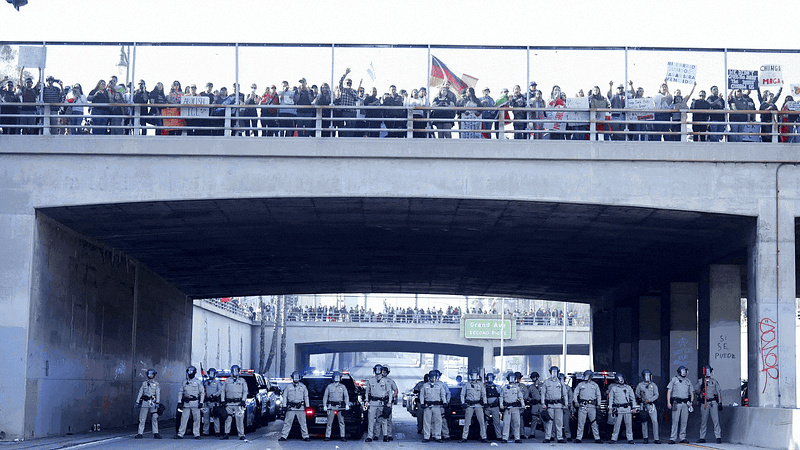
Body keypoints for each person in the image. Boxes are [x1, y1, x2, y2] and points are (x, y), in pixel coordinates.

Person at [666, 365, 695, 444]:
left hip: (685, 404)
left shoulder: (688, 381)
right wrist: (668, 402)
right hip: (676, 403)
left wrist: (691, 402)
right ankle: (673, 438)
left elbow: (691, 392)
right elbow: (669, 391)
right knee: (675, 421)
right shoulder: (674, 380)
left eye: (685, 371)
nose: (684, 373)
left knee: (684, 421)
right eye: (683, 371)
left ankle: (682, 437)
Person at [279, 370, 311, 441]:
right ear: (292, 378)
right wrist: (284, 406)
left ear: (300, 378)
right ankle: (284, 436)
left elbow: (306, 396)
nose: (296, 379)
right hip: (291, 408)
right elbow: (285, 396)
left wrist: (307, 406)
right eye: (295, 377)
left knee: (303, 423)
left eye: (297, 377)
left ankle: (306, 436)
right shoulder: (289, 387)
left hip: (300, 408)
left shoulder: (303, 387)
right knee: (287, 423)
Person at [176, 365, 205, 439]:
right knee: (184, 419)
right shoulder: (185, 382)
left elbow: (202, 393)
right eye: (189, 372)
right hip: (186, 403)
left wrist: (201, 402)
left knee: (197, 419)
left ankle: (196, 434)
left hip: (195, 403)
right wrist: (179, 402)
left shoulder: (198, 382)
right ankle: (180, 433)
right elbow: (180, 392)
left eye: (191, 372)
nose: (190, 374)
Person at [573, 370, 602, 444]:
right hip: (582, 406)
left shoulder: (595, 385)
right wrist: (576, 402)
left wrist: (599, 404)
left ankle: (597, 438)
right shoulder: (580, 384)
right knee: (581, 422)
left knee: (594, 422)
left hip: (592, 406)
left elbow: (598, 395)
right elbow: (575, 393)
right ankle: (578, 438)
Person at [540, 366, 568, 443]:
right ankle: (548, 437)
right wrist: (543, 403)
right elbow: (543, 393)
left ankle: (559, 438)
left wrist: (566, 403)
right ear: (550, 372)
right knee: (549, 422)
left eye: (556, 372)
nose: (554, 373)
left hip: (559, 404)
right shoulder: (547, 382)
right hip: (550, 405)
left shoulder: (561, 382)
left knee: (559, 422)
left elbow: (564, 393)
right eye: (553, 372)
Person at [365, 364, 392, 442]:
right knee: (370, 420)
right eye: (376, 370)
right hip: (372, 402)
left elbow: (389, 392)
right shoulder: (371, 380)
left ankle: (385, 435)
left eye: (379, 370)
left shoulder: (385, 381)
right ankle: (370, 436)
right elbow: (367, 392)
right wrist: (366, 401)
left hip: (382, 403)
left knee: (384, 420)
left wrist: (389, 402)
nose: (377, 372)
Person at [459, 370, 488, 442]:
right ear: (470, 376)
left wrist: (485, 403)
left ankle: (483, 437)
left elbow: (484, 395)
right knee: (467, 422)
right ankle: (464, 437)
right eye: (472, 375)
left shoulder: (480, 384)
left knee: (482, 421)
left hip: (478, 405)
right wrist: (463, 403)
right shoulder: (467, 384)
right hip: (469, 405)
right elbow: (462, 394)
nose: (474, 377)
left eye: (475, 375)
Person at [607, 373, 636, 444]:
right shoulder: (614, 388)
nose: (621, 380)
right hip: (618, 409)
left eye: (622, 378)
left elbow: (633, 398)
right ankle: (614, 439)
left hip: (627, 409)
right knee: (617, 425)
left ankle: (630, 439)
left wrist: (634, 407)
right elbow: (611, 399)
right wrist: (610, 408)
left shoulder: (628, 388)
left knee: (629, 424)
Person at [696, 365, 722, 444]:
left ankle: (718, 437)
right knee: (703, 421)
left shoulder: (714, 381)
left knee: (716, 420)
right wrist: (701, 387)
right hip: (704, 402)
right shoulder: (700, 381)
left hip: (713, 402)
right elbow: (696, 391)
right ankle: (702, 437)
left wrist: (720, 402)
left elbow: (718, 392)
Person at [420, 369, 447, 442]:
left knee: (438, 421)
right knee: (427, 421)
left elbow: (443, 394)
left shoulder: (439, 385)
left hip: (436, 406)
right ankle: (426, 436)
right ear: (429, 377)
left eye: (434, 377)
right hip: (427, 406)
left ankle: (437, 436)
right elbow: (422, 395)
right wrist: (422, 403)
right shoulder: (425, 386)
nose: (432, 378)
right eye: (431, 377)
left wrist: (444, 402)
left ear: (436, 377)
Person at [222, 364, 248, 440]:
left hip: (238, 403)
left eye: (236, 371)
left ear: (239, 372)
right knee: (228, 418)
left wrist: (243, 400)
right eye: (234, 371)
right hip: (229, 403)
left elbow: (245, 391)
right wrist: (223, 400)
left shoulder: (242, 381)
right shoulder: (228, 380)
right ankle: (226, 433)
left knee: (239, 419)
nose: (235, 372)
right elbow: (223, 390)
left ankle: (241, 434)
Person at [634, 369, 660, 444]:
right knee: (644, 421)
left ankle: (656, 438)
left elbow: (656, 395)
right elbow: (636, 394)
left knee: (654, 421)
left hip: (651, 405)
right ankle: (645, 437)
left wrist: (650, 400)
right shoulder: (640, 385)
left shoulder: (653, 385)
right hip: (643, 405)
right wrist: (640, 396)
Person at [322, 371, 350, 441]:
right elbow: (325, 396)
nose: (337, 379)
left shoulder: (343, 387)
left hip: (340, 406)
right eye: (335, 377)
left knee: (341, 422)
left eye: (338, 377)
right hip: (331, 406)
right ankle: (327, 436)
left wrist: (347, 404)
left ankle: (342, 436)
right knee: (329, 422)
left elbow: (346, 396)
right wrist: (325, 405)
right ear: (333, 378)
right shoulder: (329, 386)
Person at [135, 368, 162, 439]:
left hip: (152, 402)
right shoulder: (144, 383)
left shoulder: (156, 384)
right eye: (149, 374)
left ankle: (156, 433)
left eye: (152, 374)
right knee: (142, 418)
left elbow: (158, 394)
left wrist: (157, 402)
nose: (150, 375)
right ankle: (140, 433)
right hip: (145, 401)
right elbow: (140, 392)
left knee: (154, 417)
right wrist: (137, 402)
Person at [500, 372, 525, 443]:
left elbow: (521, 397)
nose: (511, 380)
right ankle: (505, 438)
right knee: (506, 423)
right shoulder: (504, 388)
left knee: (517, 423)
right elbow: (501, 397)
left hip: (515, 408)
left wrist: (523, 404)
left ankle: (517, 438)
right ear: (508, 379)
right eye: (510, 378)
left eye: (513, 378)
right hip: (507, 408)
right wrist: (501, 405)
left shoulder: (517, 388)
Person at [202, 368, 224, 437]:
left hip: (214, 402)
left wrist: (214, 395)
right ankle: (205, 431)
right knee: (206, 418)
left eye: (212, 373)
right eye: (210, 373)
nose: (211, 375)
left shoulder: (218, 383)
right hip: (207, 402)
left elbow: (220, 391)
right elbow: (203, 390)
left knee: (216, 417)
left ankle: (217, 431)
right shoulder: (205, 382)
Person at [380, 365, 399, 441]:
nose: (384, 373)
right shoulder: (376, 380)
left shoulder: (390, 381)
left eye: (385, 372)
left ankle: (389, 434)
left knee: (388, 419)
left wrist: (392, 397)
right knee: (378, 420)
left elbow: (396, 390)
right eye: (383, 372)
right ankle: (376, 434)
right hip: (378, 402)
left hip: (387, 402)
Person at [484, 372, 504, 441]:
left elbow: (501, 396)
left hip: (495, 407)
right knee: (484, 422)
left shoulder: (497, 387)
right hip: (487, 407)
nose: (490, 379)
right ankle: (484, 436)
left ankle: (498, 436)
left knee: (497, 422)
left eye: (491, 378)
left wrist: (501, 405)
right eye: (488, 378)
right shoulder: (484, 387)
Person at [523, 371, 542, 439]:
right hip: (535, 404)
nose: (534, 378)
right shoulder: (531, 387)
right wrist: (531, 400)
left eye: (535, 377)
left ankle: (548, 435)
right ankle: (532, 433)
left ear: (537, 377)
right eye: (532, 377)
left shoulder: (543, 385)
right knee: (534, 419)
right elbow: (526, 396)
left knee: (545, 418)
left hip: (542, 404)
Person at [557, 373, 574, 441]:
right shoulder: (556, 387)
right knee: (557, 422)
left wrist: (571, 407)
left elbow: (571, 397)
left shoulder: (568, 388)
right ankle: (556, 435)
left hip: (566, 407)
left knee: (566, 422)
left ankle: (568, 435)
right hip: (557, 406)